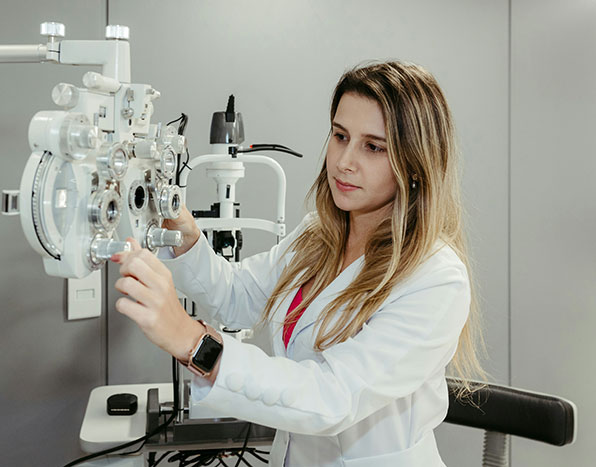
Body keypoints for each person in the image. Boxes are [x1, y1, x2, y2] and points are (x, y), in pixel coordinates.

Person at [111, 61, 485, 467]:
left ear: (415, 163)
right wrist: (184, 236)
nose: (344, 161)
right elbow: (238, 296)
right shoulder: (319, 234)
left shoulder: (435, 279)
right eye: (340, 136)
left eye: (373, 147)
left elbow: (331, 398)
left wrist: (192, 341)